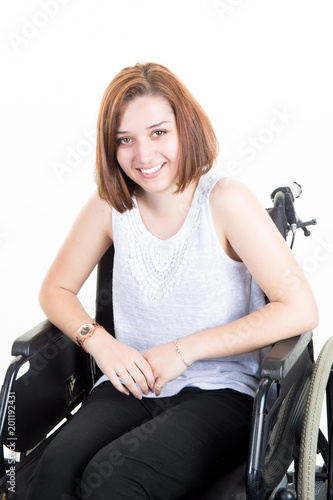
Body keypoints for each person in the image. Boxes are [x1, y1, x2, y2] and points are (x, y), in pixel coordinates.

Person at [26, 62, 318, 500]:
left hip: (221, 392)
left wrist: (185, 350)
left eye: (158, 133)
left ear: (186, 128)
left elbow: (300, 308)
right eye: (125, 140)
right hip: (130, 384)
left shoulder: (225, 201)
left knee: (115, 482)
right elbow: (55, 290)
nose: (143, 155)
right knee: (50, 476)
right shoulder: (111, 206)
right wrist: (100, 342)